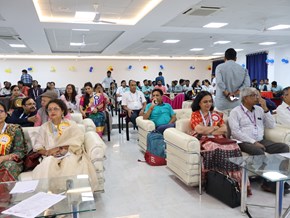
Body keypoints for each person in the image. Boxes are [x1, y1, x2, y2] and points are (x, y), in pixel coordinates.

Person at [228, 87, 289, 193]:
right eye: (254, 95)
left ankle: (280, 178)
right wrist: (253, 142)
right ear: (245, 98)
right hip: (243, 141)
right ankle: (268, 183)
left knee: (284, 147)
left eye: (258, 95)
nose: (257, 97)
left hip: (260, 139)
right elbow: (235, 132)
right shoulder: (236, 112)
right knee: (258, 151)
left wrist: (266, 109)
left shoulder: (260, 110)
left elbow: (271, 125)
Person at [31, 99, 99, 191]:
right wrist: (47, 152)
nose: (52, 111)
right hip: (51, 156)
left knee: (69, 163)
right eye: (50, 110)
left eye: (55, 109)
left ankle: (71, 197)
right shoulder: (44, 127)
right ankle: (51, 196)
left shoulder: (71, 124)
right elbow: (38, 145)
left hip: (70, 153)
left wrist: (62, 148)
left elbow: (77, 141)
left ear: (62, 111)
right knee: (48, 163)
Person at [189, 91, 246, 192]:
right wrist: (215, 127)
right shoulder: (196, 114)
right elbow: (199, 130)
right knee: (214, 147)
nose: (208, 104)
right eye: (205, 102)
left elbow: (224, 129)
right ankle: (217, 181)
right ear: (199, 103)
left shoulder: (216, 114)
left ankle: (234, 182)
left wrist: (209, 129)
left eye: (210, 101)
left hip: (219, 138)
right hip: (203, 139)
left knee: (234, 146)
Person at [215, 48, 250, 117]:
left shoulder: (219, 67)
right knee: (234, 125)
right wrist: (235, 93)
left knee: (221, 125)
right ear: (236, 58)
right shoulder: (243, 69)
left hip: (222, 103)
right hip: (236, 103)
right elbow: (247, 84)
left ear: (224, 58)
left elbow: (219, 82)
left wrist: (228, 94)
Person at [0, 102, 27, 182]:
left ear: (6, 114)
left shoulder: (15, 129)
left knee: (8, 166)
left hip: (11, 162)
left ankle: (4, 193)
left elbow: (20, 152)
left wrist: (3, 158)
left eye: (0, 111)